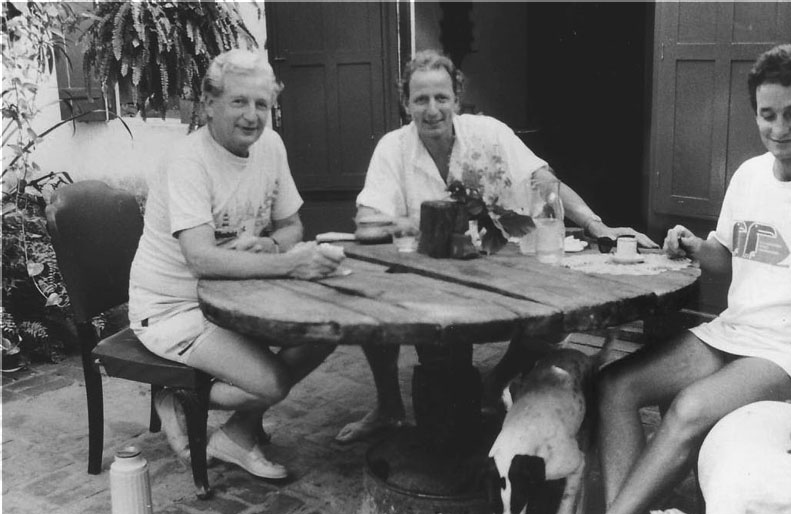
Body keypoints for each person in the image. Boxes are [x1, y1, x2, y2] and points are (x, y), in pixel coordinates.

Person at [590, 44, 791, 514]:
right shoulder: (749, 175)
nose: (779, 129)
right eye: (767, 115)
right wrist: (693, 245)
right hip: (734, 333)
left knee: (689, 409)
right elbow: (726, 258)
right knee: (615, 386)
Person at [335, 49, 657, 443]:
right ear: (406, 104)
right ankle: (389, 406)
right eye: (420, 99)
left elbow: (543, 181)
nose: (432, 110)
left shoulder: (488, 133)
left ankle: (496, 382)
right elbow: (367, 223)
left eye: (441, 97)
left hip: (497, 261)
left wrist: (595, 223)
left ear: (457, 99)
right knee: (373, 305)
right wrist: (420, 221)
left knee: (550, 317)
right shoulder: (393, 147)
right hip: (426, 272)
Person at [128, 49, 344, 479]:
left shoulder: (271, 146)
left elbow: (292, 226)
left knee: (329, 329)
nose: (252, 116)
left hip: (239, 296)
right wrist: (290, 266)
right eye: (239, 101)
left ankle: (237, 435)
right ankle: (175, 394)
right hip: (175, 307)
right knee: (272, 383)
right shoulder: (189, 160)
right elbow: (201, 259)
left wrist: (273, 245)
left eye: (261, 104)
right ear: (209, 104)